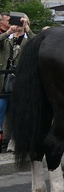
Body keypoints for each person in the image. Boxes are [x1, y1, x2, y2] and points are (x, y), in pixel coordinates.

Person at [0, 14, 34, 151]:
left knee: (18, 111)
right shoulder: (7, 39)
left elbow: (39, 42)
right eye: (17, 22)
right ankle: (3, 139)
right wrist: (8, 32)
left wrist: (27, 29)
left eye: (21, 22)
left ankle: (14, 141)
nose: (18, 25)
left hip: (21, 82)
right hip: (4, 81)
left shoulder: (27, 39)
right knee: (1, 110)